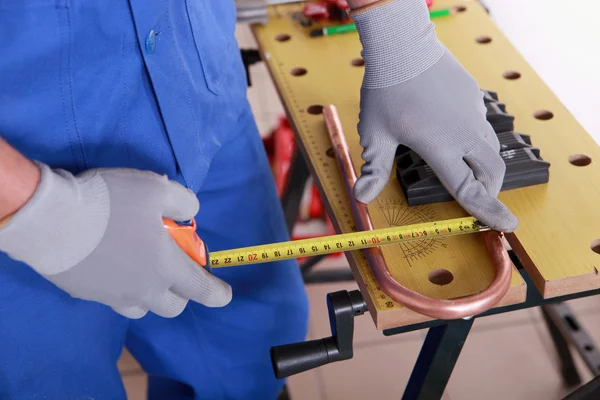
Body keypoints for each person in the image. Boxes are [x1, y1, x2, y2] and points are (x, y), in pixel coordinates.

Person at [0, 0, 517, 398]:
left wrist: (396, 29)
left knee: (257, 343)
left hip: (196, 99)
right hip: (21, 189)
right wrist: (45, 218)